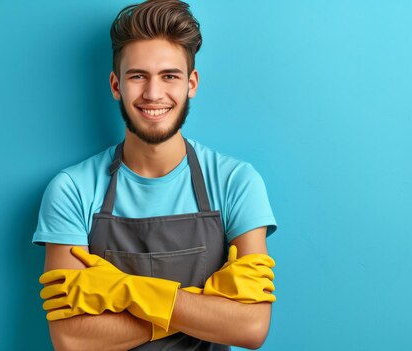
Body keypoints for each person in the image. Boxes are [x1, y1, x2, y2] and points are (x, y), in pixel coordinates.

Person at [32, 1, 278, 350]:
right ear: (116, 85)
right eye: (137, 76)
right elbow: (72, 339)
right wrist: (204, 306)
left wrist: (126, 290)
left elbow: (250, 326)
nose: (153, 93)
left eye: (169, 76)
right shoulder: (72, 190)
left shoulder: (235, 182)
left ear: (191, 83)